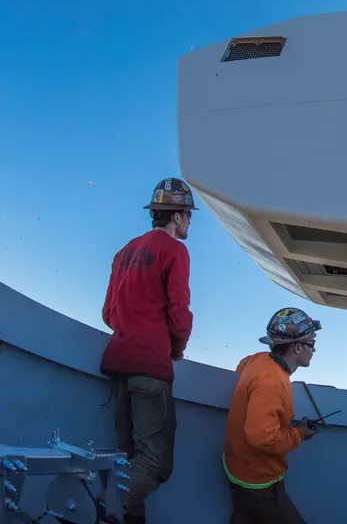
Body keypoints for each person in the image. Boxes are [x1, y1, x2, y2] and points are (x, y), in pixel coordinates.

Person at [100, 178, 198, 524]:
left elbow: (108, 314)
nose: (189, 223)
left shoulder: (124, 252)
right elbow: (179, 312)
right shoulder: (175, 251)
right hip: (150, 370)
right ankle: (104, 506)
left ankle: (127, 516)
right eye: (189, 216)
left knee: (127, 455)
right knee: (154, 463)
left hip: (119, 363)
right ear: (176, 216)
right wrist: (176, 346)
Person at [223, 307, 323, 524]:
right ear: (297, 348)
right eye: (311, 344)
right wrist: (300, 433)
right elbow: (263, 439)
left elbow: (242, 367)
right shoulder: (272, 383)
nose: (314, 350)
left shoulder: (258, 360)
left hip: (236, 467)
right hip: (258, 484)